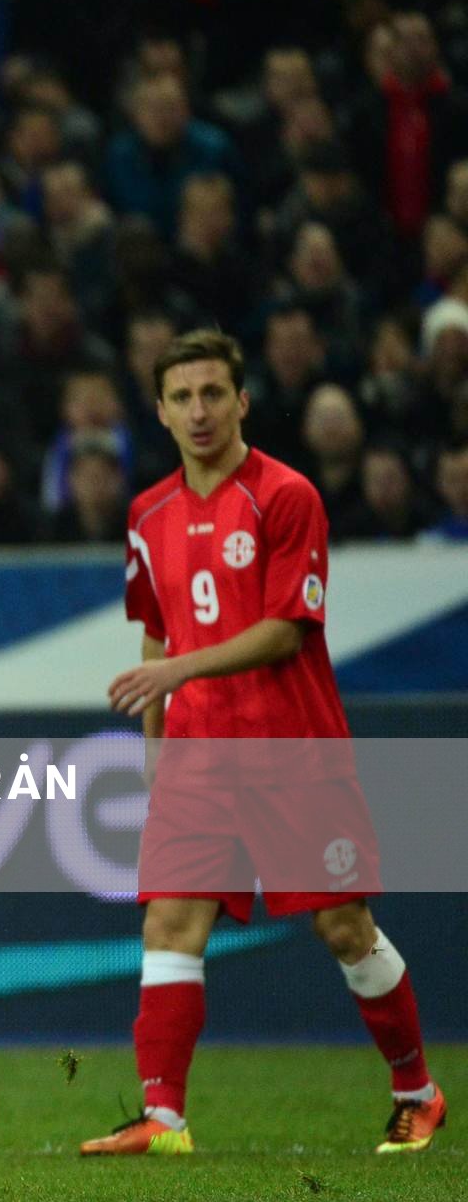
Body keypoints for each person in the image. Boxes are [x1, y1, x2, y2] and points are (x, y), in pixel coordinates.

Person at [81, 329, 444, 1158]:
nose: (200, 410)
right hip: (198, 755)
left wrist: (177, 673)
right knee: (170, 924)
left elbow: (284, 633)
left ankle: (417, 1092)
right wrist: (155, 749)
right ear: (162, 411)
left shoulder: (285, 496)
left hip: (292, 748)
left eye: (214, 393)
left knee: (343, 929)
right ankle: (164, 1119)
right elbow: (155, 639)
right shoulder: (148, 514)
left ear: (242, 401)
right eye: (183, 397)